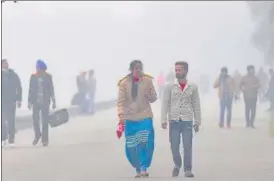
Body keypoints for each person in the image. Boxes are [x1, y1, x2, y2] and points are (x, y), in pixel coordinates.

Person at [117, 60, 157, 178]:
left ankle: (144, 167)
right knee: (132, 145)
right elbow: (120, 102)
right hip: (130, 118)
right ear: (131, 70)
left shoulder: (148, 80)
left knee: (146, 141)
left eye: (140, 68)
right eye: (136, 68)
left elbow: (154, 98)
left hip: (145, 116)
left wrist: (150, 95)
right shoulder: (123, 83)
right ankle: (138, 168)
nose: (138, 70)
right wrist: (121, 115)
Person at [161, 61, 201, 178]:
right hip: (174, 120)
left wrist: (197, 121)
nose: (177, 72)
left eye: (180, 70)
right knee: (174, 146)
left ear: (186, 71)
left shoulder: (192, 87)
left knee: (187, 145)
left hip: (187, 120)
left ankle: (188, 169)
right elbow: (165, 103)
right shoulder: (169, 86)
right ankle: (177, 164)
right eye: (176, 70)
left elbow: (196, 104)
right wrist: (163, 119)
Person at [28, 60, 56, 146]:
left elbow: (51, 89)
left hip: (45, 101)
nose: (37, 69)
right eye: (37, 68)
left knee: (45, 121)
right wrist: (29, 102)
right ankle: (37, 135)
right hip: (35, 101)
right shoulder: (33, 77)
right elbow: (30, 90)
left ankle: (45, 140)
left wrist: (54, 101)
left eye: (39, 68)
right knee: (35, 120)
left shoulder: (48, 77)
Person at [1, 59, 22, 147]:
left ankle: (11, 140)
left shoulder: (14, 75)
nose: (6, 65)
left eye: (7, 63)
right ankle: (3, 139)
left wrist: (19, 100)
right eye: (4, 64)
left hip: (11, 101)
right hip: (2, 102)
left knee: (11, 121)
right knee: (2, 121)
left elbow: (19, 88)